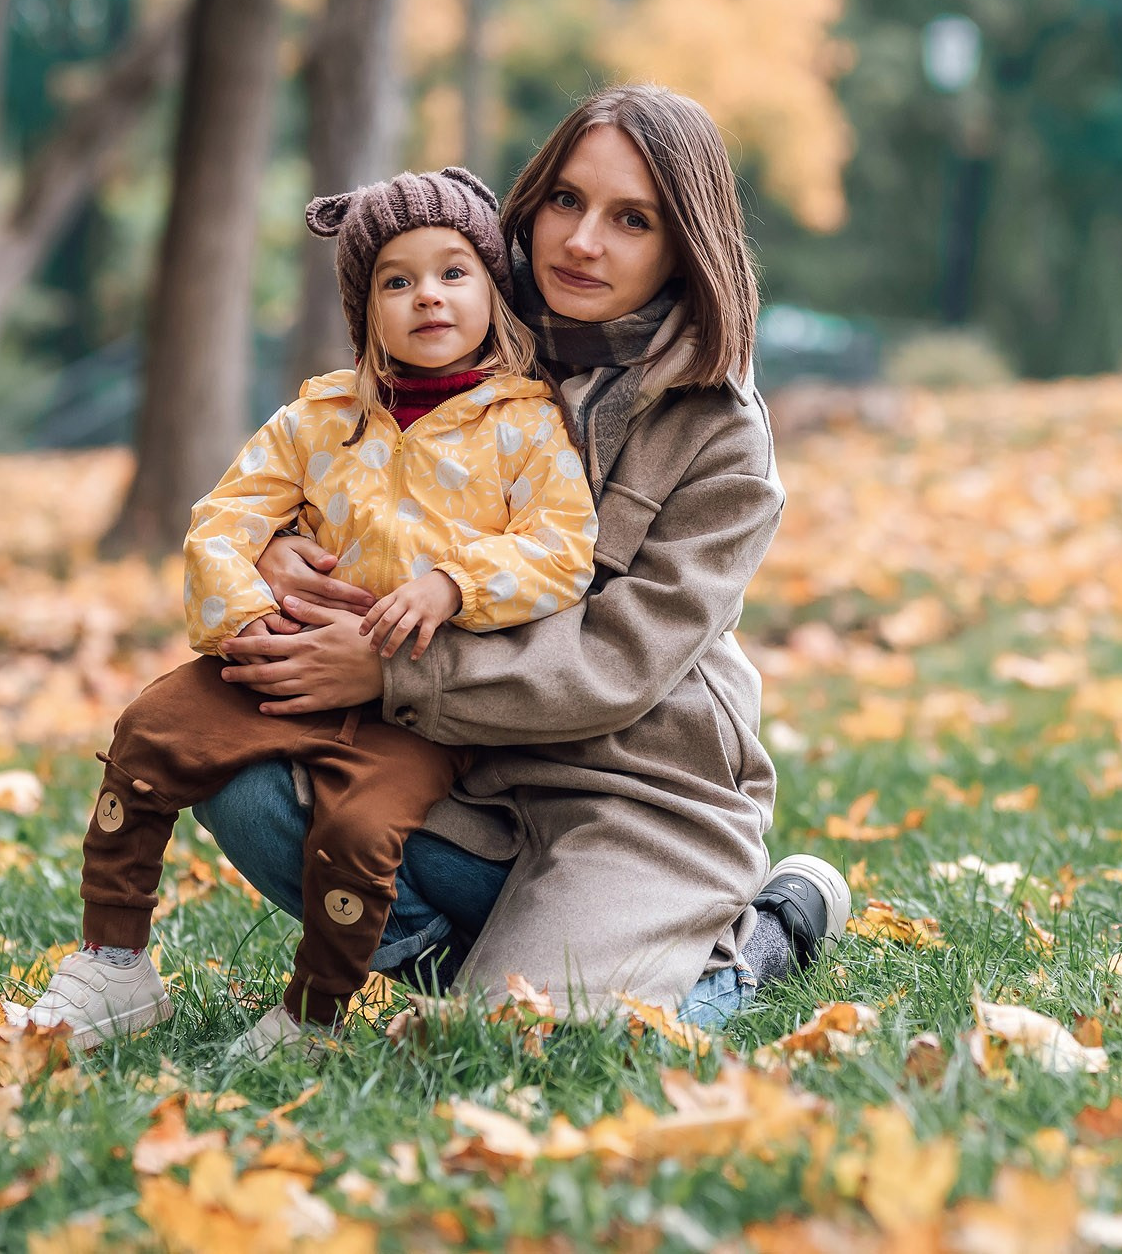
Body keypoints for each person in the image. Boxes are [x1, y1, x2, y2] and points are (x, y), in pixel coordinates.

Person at [199, 85, 849, 1037]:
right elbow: (334, 465)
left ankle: (758, 943)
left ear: (684, 244)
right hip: (460, 778)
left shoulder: (723, 442)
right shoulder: (461, 326)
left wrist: (389, 671)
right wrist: (280, 546)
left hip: (632, 800)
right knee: (235, 768)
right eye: (566, 202)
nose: (584, 242)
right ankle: (471, 965)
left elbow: (616, 663)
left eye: (633, 219)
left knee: (529, 1046)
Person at [25, 166, 597, 1053]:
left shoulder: (525, 425)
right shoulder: (322, 416)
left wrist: (453, 584)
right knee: (151, 732)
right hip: (289, 660)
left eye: (454, 273)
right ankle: (113, 961)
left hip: (416, 700)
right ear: (365, 308)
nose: (428, 298)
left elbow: (562, 546)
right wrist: (247, 610)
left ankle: (315, 1011)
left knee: (359, 829)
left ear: (495, 288)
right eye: (396, 281)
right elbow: (225, 516)